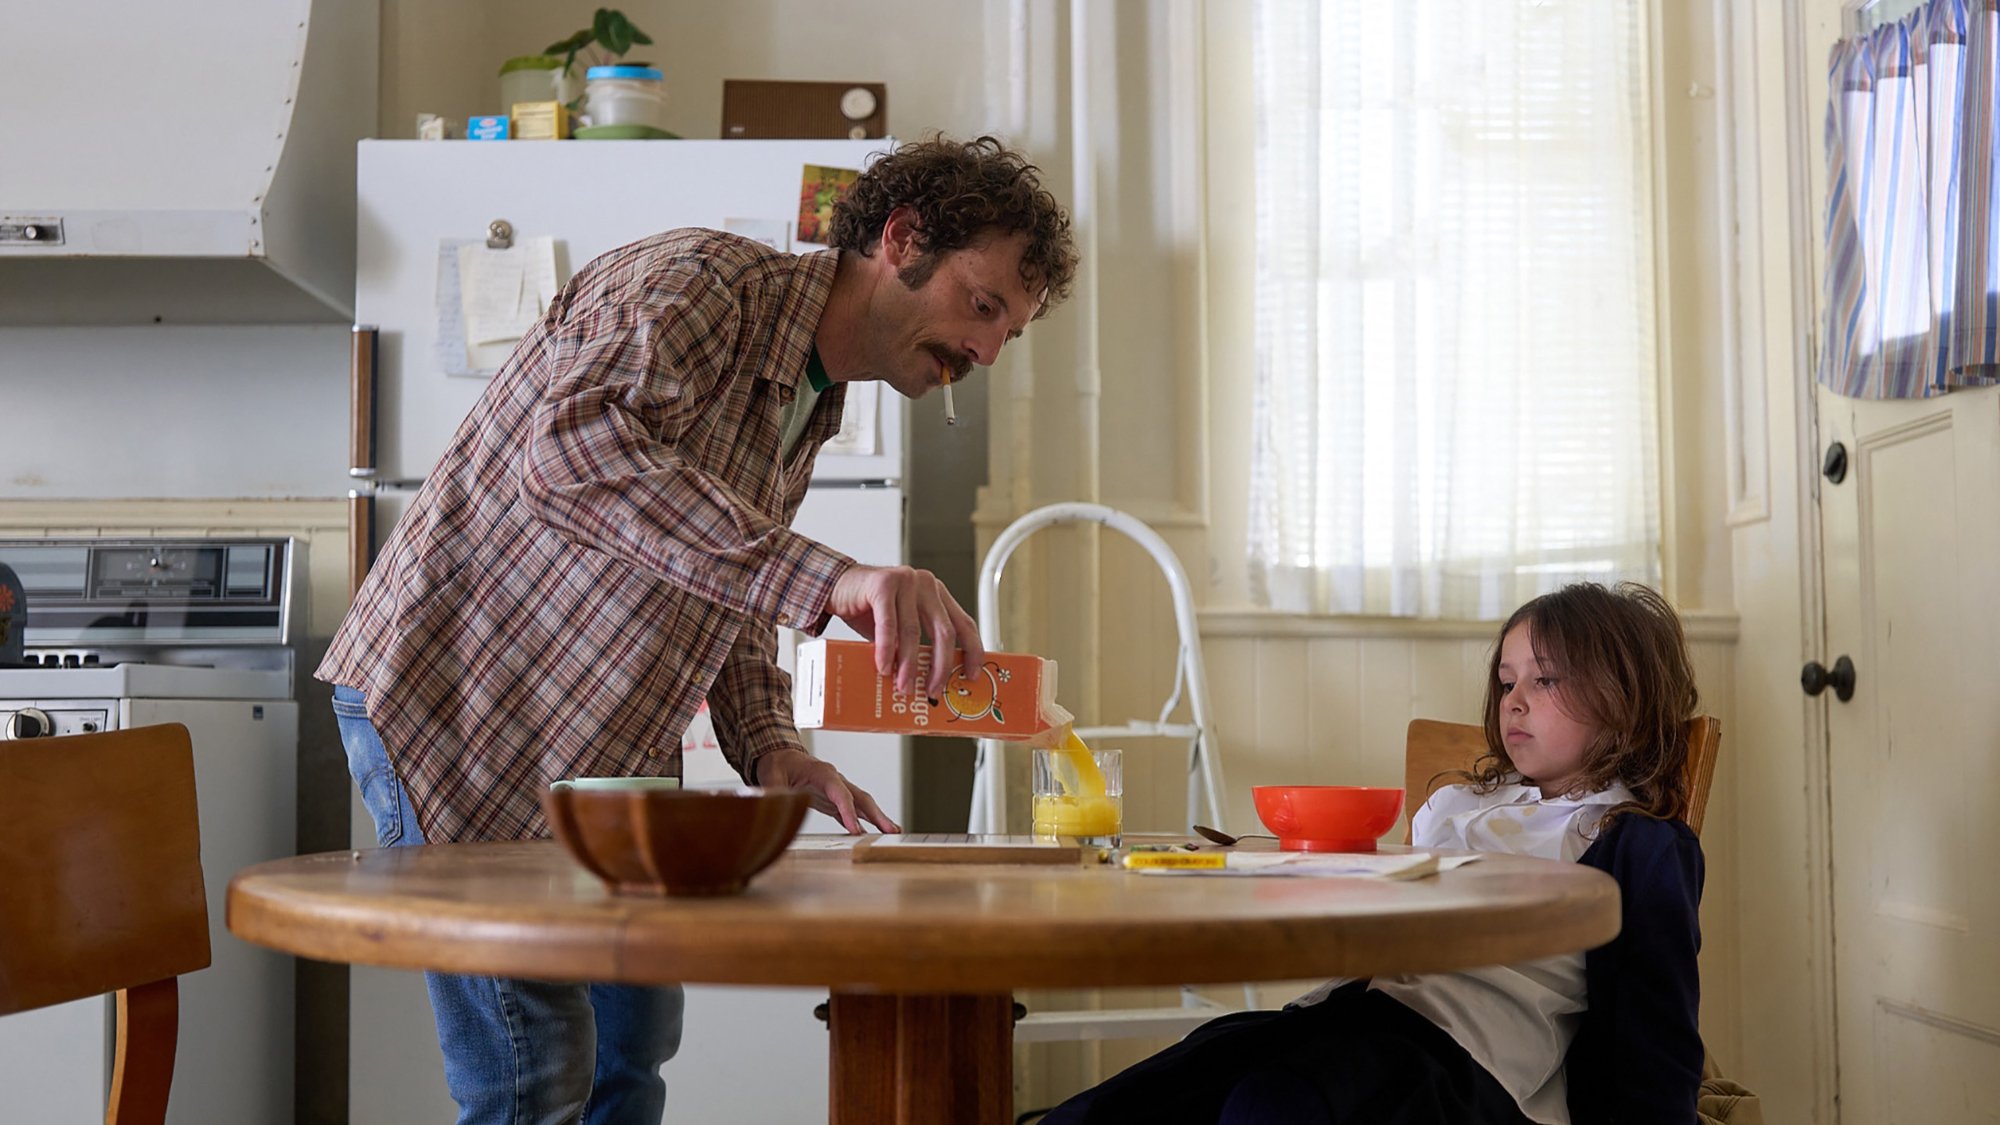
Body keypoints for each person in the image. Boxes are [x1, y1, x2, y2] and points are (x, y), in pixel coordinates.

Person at [319, 134, 1077, 1125]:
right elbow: (568, 456)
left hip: (597, 756)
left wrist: (769, 748)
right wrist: (834, 577)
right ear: (900, 241)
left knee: (632, 1052)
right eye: (982, 308)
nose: (982, 353)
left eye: (1005, 336)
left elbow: (721, 576)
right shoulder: (701, 282)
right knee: (535, 1079)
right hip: (458, 712)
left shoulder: (813, 400)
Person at [1041, 581, 1705, 1125]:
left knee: (1272, 1106)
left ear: (1624, 700)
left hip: (1465, 1059)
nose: (1516, 700)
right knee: (1117, 1106)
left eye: (1547, 679)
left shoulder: (1632, 839)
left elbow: (1654, 1036)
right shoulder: (1461, 802)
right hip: (1346, 1013)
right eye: (1506, 683)